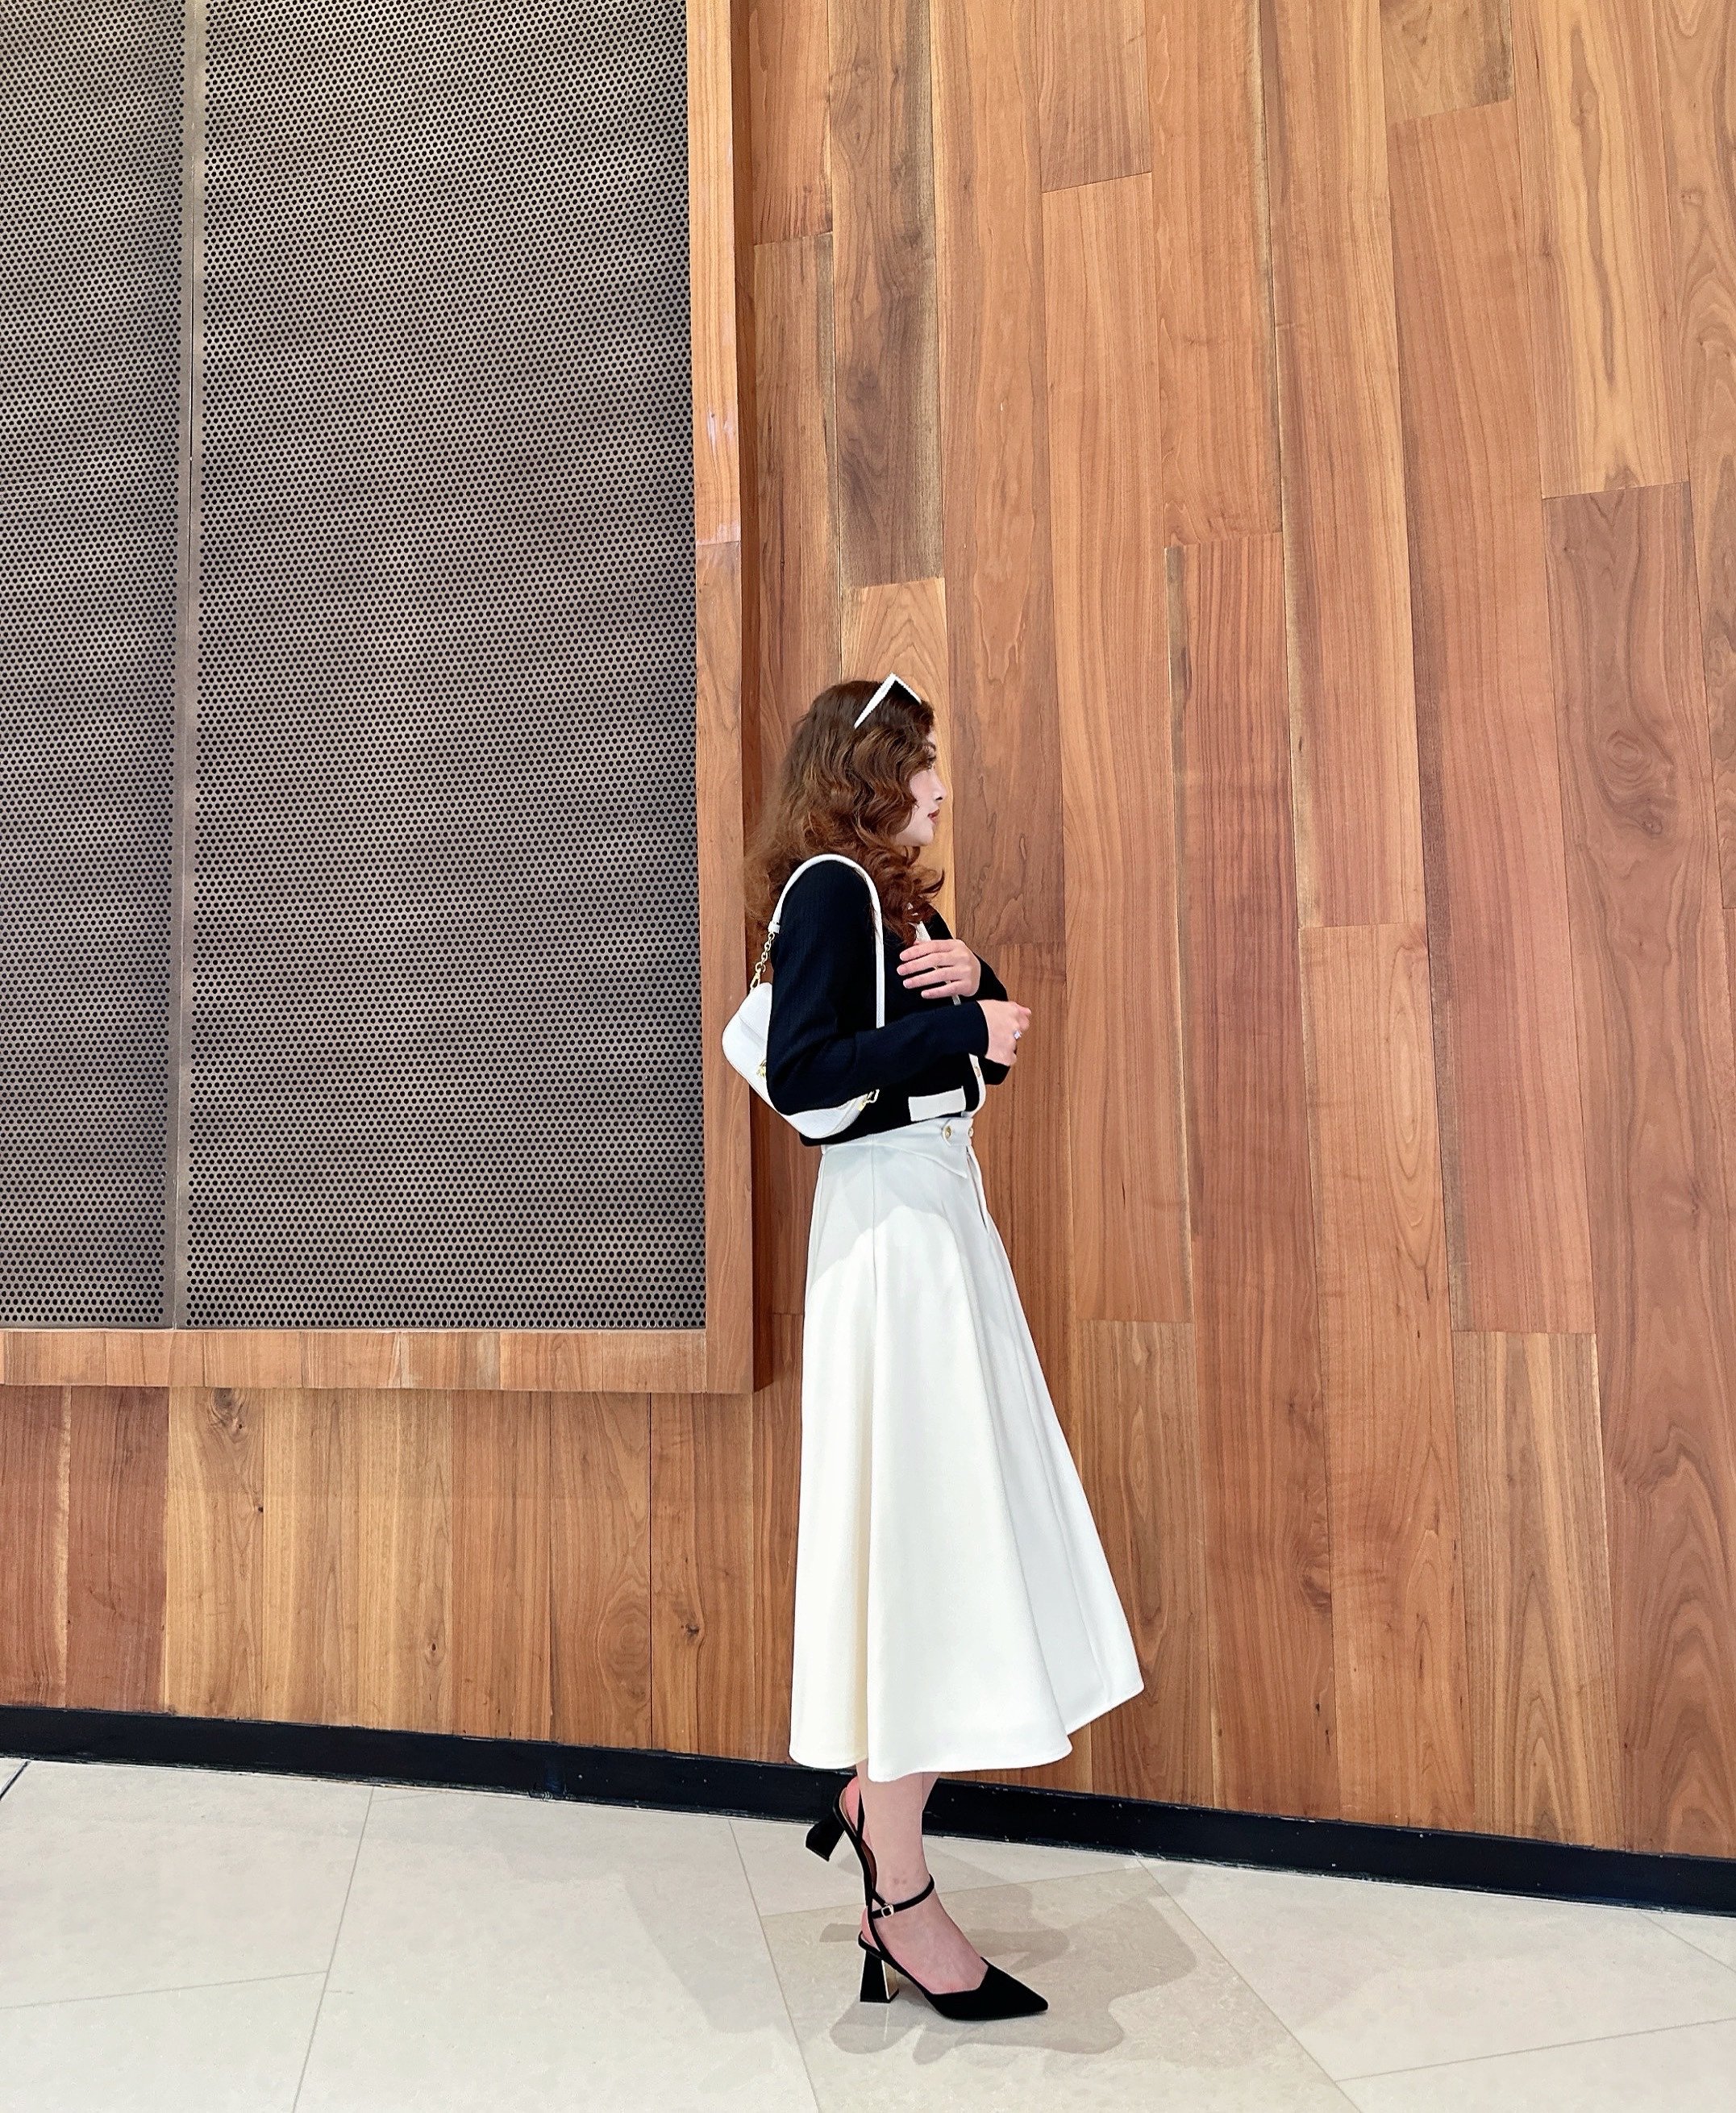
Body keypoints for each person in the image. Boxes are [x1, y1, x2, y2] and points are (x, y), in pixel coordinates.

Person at [745, 673, 1143, 2020]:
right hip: (895, 1247)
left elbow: (972, 1058)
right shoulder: (829, 892)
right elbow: (807, 1079)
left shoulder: (881, 902)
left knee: (941, 1533)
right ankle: (895, 1877)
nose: (939, 787)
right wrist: (964, 1023)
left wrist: (978, 992)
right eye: (920, 764)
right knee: (925, 1537)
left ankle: (885, 1821)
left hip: (926, 1231)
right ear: (867, 774)